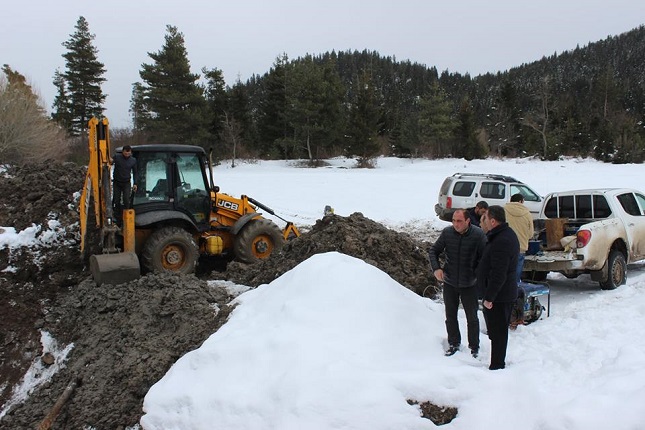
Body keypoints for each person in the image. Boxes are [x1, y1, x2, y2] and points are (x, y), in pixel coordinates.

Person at [429, 209, 486, 358]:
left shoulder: (478, 234)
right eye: (453, 221)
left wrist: (477, 273)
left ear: (468, 221)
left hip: (470, 283)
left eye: (459, 221)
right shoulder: (447, 233)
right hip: (450, 281)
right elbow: (433, 251)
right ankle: (454, 343)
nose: (456, 224)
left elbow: (485, 258)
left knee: (472, 317)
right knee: (450, 315)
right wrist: (437, 268)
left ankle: (474, 347)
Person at [477, 205, 519, 370]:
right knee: (496, 333)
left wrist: (489, 297)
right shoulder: (500, 236)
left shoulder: (502, 240)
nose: (484, 222)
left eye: (485, 218)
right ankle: (496, 363)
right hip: (498, 295)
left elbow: (499, 273)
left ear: (493, 221)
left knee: (499, 333)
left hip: (499, 297)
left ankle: (497, 366)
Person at [504, 193, 533, 283]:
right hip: (520, 248)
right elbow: (531, 234)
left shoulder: (503, 210)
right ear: (520, 201)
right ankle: (514, 290)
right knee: (516, 272)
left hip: (505, 246)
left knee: (503, 270)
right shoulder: (527, 214)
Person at [112, 145, 138, 221]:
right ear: (123, 152)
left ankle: (126, 215)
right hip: (117, 182)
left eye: (129, 153)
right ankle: (117, 216)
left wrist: (135, 183)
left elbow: (135, 172)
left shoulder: (133, 160)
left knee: (126, 199)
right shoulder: (117, 157)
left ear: (130, 152)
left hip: (126, 182)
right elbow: (110, 162)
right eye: (126, 152)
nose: (127, 154)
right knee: (116, 199)